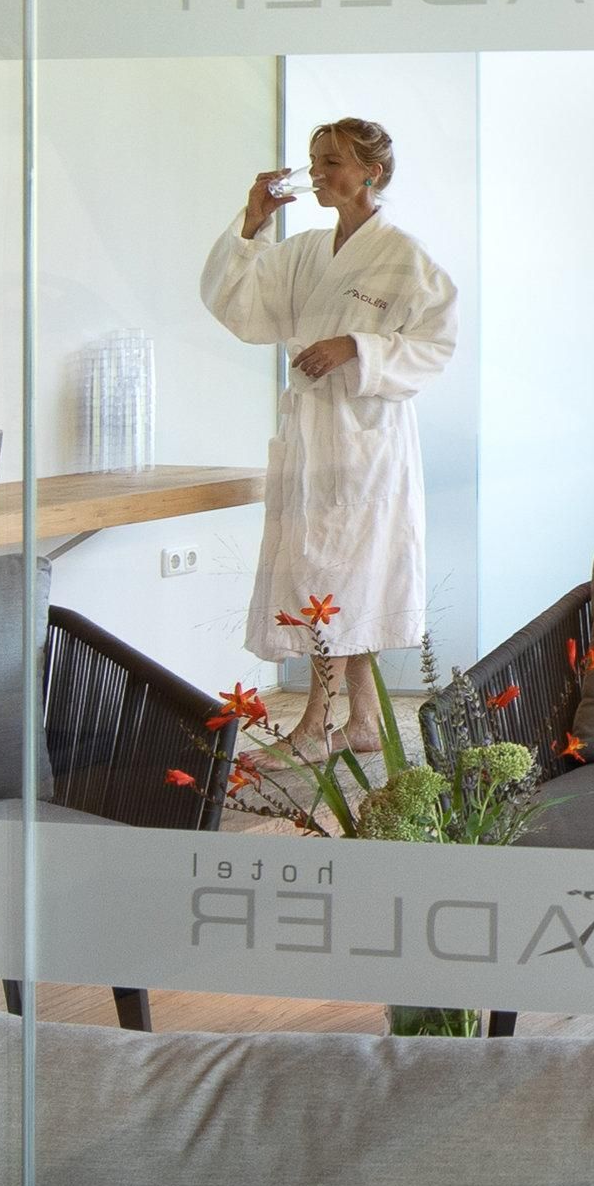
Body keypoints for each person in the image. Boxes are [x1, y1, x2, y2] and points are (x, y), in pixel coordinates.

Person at [200, 116, 460, 761]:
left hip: (365, 442)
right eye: (314, 162)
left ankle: (315, 727)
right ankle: (365, 722)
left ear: (372, 172)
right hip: (310, 434)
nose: (317, 174)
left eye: (332, 163)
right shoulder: (307, 252)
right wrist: (253, 223)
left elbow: (435, 345)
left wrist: (357, 346)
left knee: (337, 575)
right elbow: (239, 307)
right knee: (339, 574)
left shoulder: (404, 257)